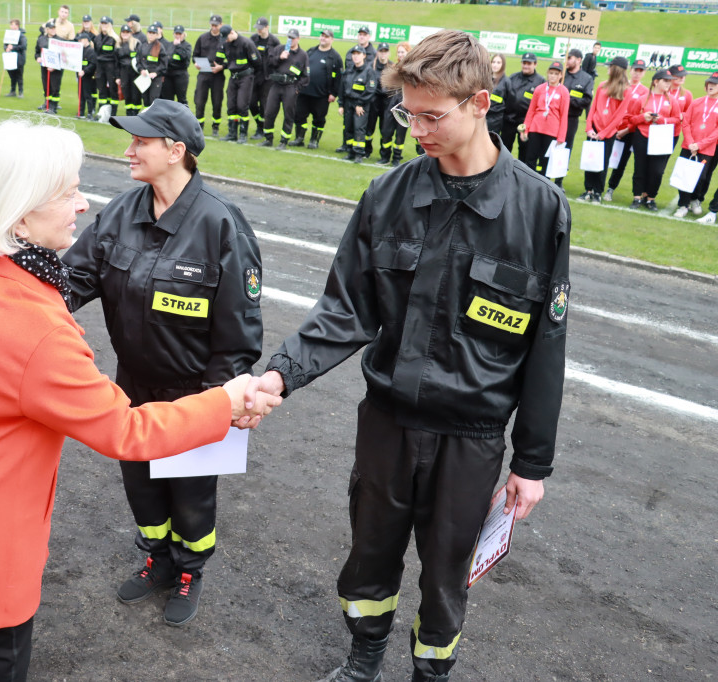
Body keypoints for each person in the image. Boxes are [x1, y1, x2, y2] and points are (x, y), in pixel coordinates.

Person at [0, 119, 280, 682]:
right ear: (21, 212)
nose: (83, 202)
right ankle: (158, 556)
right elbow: (127, 431)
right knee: (0, 637)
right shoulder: (35, 325)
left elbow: (236, 323)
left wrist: (218, 386)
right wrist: (228, 403)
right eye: (68, 191)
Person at [244, 29, 569, 682]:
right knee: (370, 555)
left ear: (480, 102)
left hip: (471, 437)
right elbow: (345, 310)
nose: (415, 128)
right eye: (407, 113)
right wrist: (279, 374)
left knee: (449, 571)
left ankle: (431, 670)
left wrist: (531, 463)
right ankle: (364, 655)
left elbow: (547, 347)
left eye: (431, 115)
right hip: (388, 423)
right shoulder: (387, 196)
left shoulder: (539, 210)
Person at [62, 99, 265, 628]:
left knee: (191, 495)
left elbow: (239, 332)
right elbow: (72, 281)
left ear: (176, 151)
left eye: (140, 141)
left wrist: (219, 402)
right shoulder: (122, 211)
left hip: (196, 391)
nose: (128, 150)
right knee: (141, 483)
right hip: (132, 386)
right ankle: (158, 558)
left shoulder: (221, 225)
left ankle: (189, 570)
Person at [612, 68, 681, 211]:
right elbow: (630, 118)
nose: (668, 84)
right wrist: (643, 117)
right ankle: (637, 197)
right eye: (665, 81)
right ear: (656, 82)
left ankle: (650, 198)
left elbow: (677, 119)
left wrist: (662, 120)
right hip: (642, 136)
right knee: (640, 167)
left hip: (662, 137)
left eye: (670, 81)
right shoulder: (642, 99)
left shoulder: (672, 100)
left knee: (657, 170)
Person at [579, 56, 628, 204]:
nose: (607, 69)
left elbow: (619, 116)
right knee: (590, 159)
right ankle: (588, 189)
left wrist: (604, 133)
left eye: (610, 66)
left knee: (602, 162)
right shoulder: (601, 86)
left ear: (616, 69)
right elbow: (592, 108)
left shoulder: (626, 90)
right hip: (594, 130)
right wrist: (589, 128)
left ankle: (597, 192)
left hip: (607, 133)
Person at [601, 58, 648, 201]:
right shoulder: (621, 85)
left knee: (621, 161)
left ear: (644, 73)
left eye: (641, 71)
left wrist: (626, 130)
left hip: (628, 131)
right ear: (630, 70)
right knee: (604, 157)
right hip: (611, 128)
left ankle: (610, 188)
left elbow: (640, 114)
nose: (637, 74)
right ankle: (596, 187)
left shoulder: (644, 91)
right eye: (635, 70)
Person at [674, 72, 718, 218]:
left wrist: (700, 144)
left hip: (706, 148)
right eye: (709, 83)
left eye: (715, 84)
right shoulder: (697, 102)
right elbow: (686, 122)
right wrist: (691, 142)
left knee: (702, 177)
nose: (711, 86)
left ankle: (694, 199)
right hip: (689, 145)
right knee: (685, 175)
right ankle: (683, 205)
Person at [292, 27, 341, 149]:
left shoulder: (335, 57)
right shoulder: (311, 51)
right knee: (299, 116)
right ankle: (299, 138)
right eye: (322, 35)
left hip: (322, 95)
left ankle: (314, 140)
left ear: (332, 39)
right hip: (304, 91)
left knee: (319, 119)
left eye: (326, 36)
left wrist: (334, 93)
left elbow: (339, 78)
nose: (323, 38)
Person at [260, 28, 309, 150]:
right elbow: (269, 63)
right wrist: (279, 58)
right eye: (289, 37)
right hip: (276, 85)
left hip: (290, 87)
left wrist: (297, 89)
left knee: (288, 114)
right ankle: (268, 138)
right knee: (269, 112)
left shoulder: (303, 55)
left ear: (298, 39)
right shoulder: (279, 49)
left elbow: (306, 76)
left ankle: (284, 140)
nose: (290, 40)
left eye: (293, 38)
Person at [520, 60, 570, 176]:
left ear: (561, 75)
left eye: (556, 74)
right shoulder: (539, 89)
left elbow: (564, 116)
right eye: (551, 73)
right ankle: (529, 183)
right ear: (547, 73)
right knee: (530, 158)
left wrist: (561, 136)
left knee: (546, 161)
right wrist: (525, 129)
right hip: (535, 128)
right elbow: (531, 111)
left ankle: (544, 187)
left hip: (552, 131)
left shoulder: (564, 92)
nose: (553, 76)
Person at [501, 52, 545, 161]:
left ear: (535, 64)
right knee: (504, 150)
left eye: (529, 63)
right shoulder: (513, 77)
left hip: (526, 123)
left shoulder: (540, 82)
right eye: (524, 63)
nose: (526, 66)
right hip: (509, 120)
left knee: (524, 152)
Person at [338, 44, 377, 164]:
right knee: (348, 127)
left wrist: (360, 103)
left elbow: (370, 90)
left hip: (361, 104)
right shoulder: (349, 70)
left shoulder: (369, 71)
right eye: (354, 54)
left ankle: (359, 153)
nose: (355, 57)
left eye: (358, 54)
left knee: (359, 128)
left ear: (364, 56)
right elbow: (342, 88)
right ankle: (350, 151)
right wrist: (341, 104)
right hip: (348, 103)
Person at [218, 24, 257, 143]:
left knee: (242, 105)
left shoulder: (246, 43)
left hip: (245, 77)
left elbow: (257, 61)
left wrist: (249, 73)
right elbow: (228, 61)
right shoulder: (226, 44)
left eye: (227, 37)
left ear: (232, 33)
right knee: (231, 105)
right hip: (233, 77)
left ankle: (243, 134)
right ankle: (232, 133)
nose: (226, 40)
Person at [561, 49, 594, 185]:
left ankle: (559, 179)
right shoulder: (561, 74)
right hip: (554, 117)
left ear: (579, 60)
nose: (567, 60)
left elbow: (586, 100)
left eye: (570, 58)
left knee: (565, 148)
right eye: (566, 58)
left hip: (571, 118)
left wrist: (568, 99)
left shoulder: (586, 79)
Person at [378, 42, 413, 167]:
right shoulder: (393, 67)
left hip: (405, 105)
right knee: (386, 131)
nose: (400, 54)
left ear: (408, 52)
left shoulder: (412, 68)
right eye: (399, 52)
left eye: (403, 52)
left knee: (400, 133)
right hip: (391, 104)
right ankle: (385, 156)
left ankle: (396, 158)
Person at [192, 14, 225, 135]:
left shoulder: (224, 40)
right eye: (212, 25)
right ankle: (199, 125)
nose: (214, 27)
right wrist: (196, 63)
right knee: (199, 101)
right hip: (203, 74)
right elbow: (195, 55)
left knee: (217, 102)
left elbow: (229, 58)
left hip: (217, 75)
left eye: (216, 25)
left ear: (221, 25)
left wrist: (222, 67)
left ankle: (215, 126)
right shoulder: (203, 38)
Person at [137, 24, 170, 109]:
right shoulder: (142, 46)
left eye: (153, 33)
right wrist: (141, 70)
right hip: (144, 77)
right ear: (147, 34)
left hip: (155, 78)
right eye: (150, 33)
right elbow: (138, 61)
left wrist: (156, 72)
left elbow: (164, 63)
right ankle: (146, 119)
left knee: (153, 99)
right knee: (145, 99)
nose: (151, 35)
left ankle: (153, 119)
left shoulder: (160, 47)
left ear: (156, 35)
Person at [93, 17, 119, 115]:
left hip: (111, 67)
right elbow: (96, 53)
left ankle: (113, 114)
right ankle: (102, 113)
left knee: (113, 90)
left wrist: (117, 73)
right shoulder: (97, 38)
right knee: (101, 90)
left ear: (110, 25)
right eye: (102, 23)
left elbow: (117, 57)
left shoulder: (114, 39)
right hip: (100, 67)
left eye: (106, 24)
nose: (104, 26)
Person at [160, 25, 191, 105]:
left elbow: (184, 57)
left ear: (183, 34)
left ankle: (184, 117)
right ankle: (169, 117)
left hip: (180, 75)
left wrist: (178, 46)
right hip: (168, 75)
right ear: (173, 34)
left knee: (181, 99)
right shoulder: (169, 45)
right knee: (168, 100)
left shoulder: (187, 46)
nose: (177, 36)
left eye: (179, 34)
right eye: (176, 34)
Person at [36, 20, 62, 112]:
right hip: (45, 67)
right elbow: (37, 52)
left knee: (55, 87)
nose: (53, 30)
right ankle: (47, 103)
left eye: (54, 28)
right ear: (46, 29)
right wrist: (38, 58)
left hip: (56, 68)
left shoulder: (59, 40)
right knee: (46, 86)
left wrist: (54, 66)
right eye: (51, 28)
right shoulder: (41, 39)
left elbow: (63, 55)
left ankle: (53, 107)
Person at [116, 24, 141, 115]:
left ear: (130, 33)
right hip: (124, 73)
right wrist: (118, 77)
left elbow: (140, 57)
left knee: (136, 94)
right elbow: (117, 63)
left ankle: (136, 112)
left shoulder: (136, 43)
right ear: (121, 33)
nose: (125, 34)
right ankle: (129, 112)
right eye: (123, 32)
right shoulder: (118, 45)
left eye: (127, 32)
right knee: (127, 94)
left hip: (135, 73)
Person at [486, 53, 512, 136]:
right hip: (481, 116)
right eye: (493, 62)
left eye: (498, 62)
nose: (495, 65)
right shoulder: (484, 78)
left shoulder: (506, 82)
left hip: (495, 120)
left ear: (503, 64)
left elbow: (509, 102)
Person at [3, 18, 25, 98]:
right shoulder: (8, 35)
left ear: (17, 25)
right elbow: (5, 44)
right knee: (12, 75)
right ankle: (12, 91)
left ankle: (20, 92)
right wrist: (6, 48)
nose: (12, 26)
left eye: (14, 24)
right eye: (11, 24)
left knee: (19, 75)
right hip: (10, 58)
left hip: (19, 58)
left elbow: (23, 46)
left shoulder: (21, 35)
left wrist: (13, 47)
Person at [76, 32, 97, 118]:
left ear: (86, 40)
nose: (79, 42)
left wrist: (85, 71)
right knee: (80, 95)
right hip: (80, 76)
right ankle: (80, 112)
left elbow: (92, 64)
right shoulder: (80, 50)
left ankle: (89, 112)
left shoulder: (91, 51)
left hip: (87, 77)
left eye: (81, 40)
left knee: (87, 94)